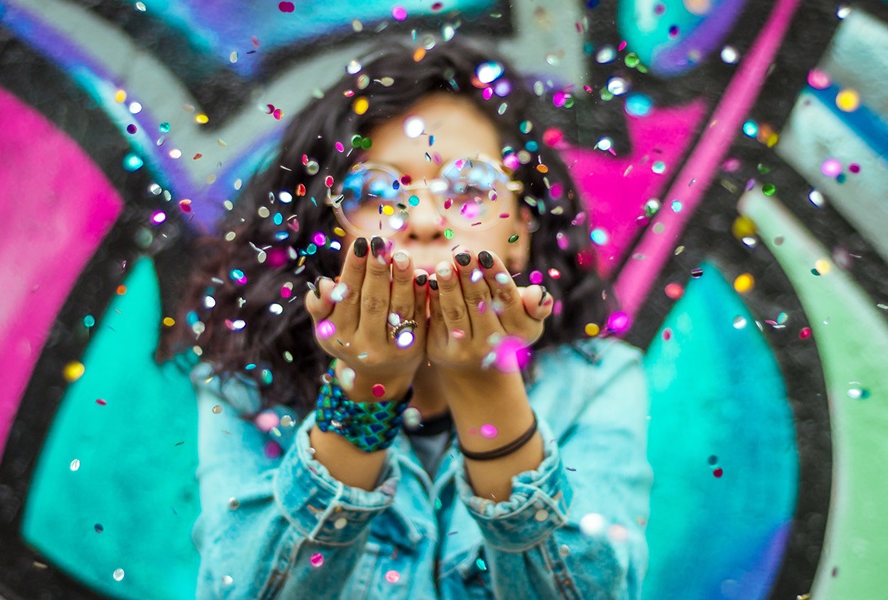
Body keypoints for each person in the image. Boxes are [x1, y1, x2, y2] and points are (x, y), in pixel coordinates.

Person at [170, 34, 652, 599]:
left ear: (521, 229)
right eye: (377, 191)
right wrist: (363, 394)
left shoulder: (596, 382)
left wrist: (485, 386)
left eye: (468, 186)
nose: (423, 220)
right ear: (331, 235)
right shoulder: (249, 389)